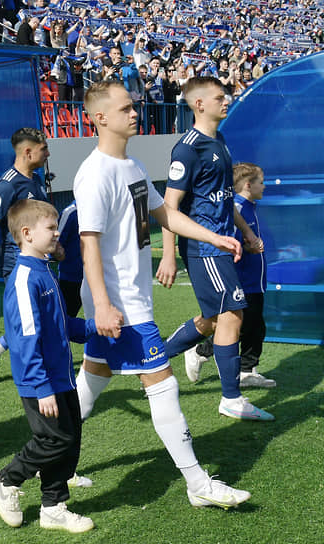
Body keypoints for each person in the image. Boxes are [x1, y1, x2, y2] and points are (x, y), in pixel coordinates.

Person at [73, 80, 250, 509]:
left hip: (129, 299)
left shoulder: (131, 166)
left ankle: (39, 461)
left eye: (134, 107)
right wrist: (102, 304)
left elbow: (166, 214)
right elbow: (88, 244)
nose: (135, 113)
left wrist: (216, 237)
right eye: (125, 108)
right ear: (100, 118)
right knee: (162, 384)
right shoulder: (93, 174)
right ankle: (198, 484)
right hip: (121, 305)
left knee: (91, 382)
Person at [155, 76, 273, 421]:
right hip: (205, 249)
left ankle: (156, 358)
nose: (227, 100)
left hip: (223, 245)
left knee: (212, 319)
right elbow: (169, 206)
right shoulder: (187, 149)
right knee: (233, 313)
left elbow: (223, 201)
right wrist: (168, 255)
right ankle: (231, 398)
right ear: (199, 104)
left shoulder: (219, 141)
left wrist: (247, 233)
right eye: (220, 97)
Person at [0, 199, 93, 534]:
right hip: (41, 382)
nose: (57, 231)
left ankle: (53, 507)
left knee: (70, 439)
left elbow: (61, 325)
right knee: (53, 440)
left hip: (61, 376)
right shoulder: (23, 280)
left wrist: (96, 329)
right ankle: (7, 479)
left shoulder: (46, 270)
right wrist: (42, 386)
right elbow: (25, 339)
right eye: (50, 227)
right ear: (27, 233)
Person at [0, 128, 51, 381]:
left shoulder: (35, 179)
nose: (48, 153)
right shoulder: (6, 186)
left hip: (41, 261)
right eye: (43, 149)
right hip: (18, 262)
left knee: (40, 315)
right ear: (28, 152)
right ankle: (32, 374)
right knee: (29, 318)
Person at [185, 163, 275, 388]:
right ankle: (200, 350)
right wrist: (247, 248)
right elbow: (227, 245)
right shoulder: (237, 209)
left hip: (255, 281)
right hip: (243, 281)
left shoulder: (250, 207)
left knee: (256, 326)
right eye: (260, 182)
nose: (264, 186)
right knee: (240, 325)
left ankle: (246, 371)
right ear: (248, 185)